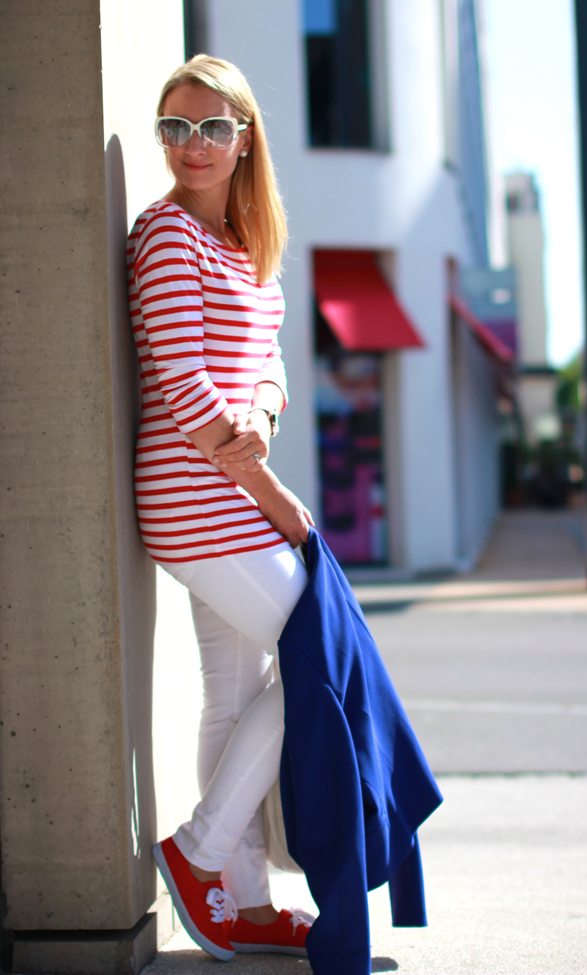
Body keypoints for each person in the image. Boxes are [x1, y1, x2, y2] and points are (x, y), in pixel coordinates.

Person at [127, 55, 315, 960]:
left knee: (234, 698)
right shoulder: (164, 235)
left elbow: (267, 357)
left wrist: (269, 411)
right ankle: (201, 853)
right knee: (322, 656)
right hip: (201, 508)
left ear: (244, 139)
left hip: (229, 499)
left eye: (209, 128)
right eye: (174, 128)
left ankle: (238, 902)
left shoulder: (244, 247)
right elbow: (186, 386)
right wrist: (276, 494)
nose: (190, 146)